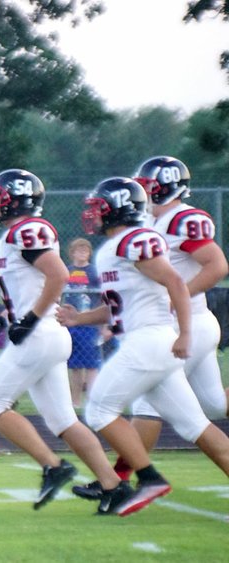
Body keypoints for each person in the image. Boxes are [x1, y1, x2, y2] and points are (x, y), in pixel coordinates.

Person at [58, 177, 229, 515]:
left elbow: (176, 283)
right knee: (197, 425)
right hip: (151, 342)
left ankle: (148, 478)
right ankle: (137, 478)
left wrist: (185, 335)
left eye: (99, 207)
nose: (93, 214)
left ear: (118, 208)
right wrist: (79, 319)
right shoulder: (116, 247)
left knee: (99, 410)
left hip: (149, 341)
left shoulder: (132, 240)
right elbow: (118, 304)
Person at [0, 168, 135, 515]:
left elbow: (59, 274)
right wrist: (1, 321)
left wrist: (29, 320)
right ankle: (113, 485)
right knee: (63, 420)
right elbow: (27, 290)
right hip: (47, 335)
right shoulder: (13, 235)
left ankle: (53, 465)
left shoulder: (27, 229)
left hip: (40, 335)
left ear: (18, 199)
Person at [63, 239, 102, 408]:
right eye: (78, 250)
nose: (82, 253)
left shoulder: (94, 272)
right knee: (75, 366)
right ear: (72, 253)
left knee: (92, 364)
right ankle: (76, 401)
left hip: (89, 323)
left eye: (85, 250)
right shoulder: (67, 271)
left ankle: (92, 401)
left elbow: (103, 297)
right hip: (71, 324)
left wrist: (103, 324)